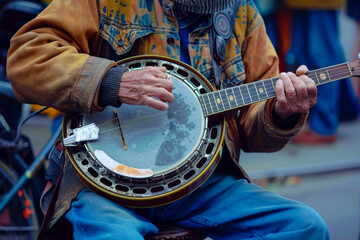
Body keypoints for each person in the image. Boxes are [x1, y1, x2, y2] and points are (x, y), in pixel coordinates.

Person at [6, 0, 330, 239]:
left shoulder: (241, 13)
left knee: (305, 227)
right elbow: (27, 59)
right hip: (104, 186)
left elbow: (252, 129)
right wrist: (111, 81)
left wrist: (281, 113)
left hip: (201, 186)